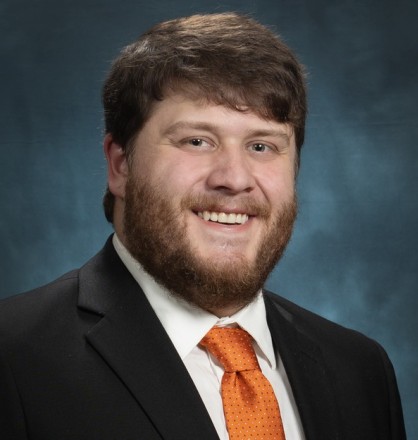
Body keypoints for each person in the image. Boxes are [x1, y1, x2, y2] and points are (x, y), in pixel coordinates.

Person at [0, 12, 405, 440]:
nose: (234, 178)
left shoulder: (360, 370)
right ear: (120, 165)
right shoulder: (13, 358)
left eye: (261, 145)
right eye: (197, 141)